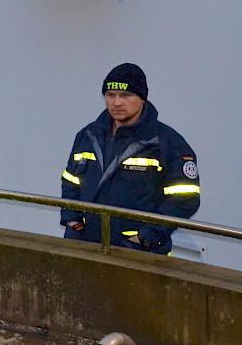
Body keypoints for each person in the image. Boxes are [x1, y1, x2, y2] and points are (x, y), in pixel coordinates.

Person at [60, 63, 200, 254]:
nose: (116, 102)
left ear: (142, 98)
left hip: (137, 251)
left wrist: (147, 237)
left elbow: (185, 198)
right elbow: (71, 181)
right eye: (110, 95)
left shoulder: (167, 143)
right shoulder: (88, 135)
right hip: (84, 243)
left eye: (126, 95)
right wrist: (71, 218)